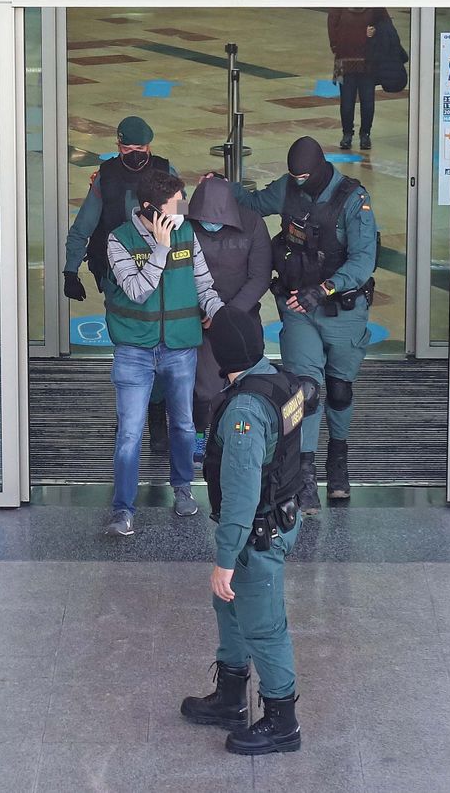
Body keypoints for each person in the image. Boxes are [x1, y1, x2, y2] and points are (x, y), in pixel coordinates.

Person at [179, 306, 311, 755]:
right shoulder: (278, 380)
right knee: (230, 610)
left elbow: (239, 496)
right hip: (279, 518)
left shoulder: (245, 414)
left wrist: (223, 560)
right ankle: (231, 698)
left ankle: (282, 722)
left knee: (264, 627)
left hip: (256, 535)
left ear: (223, 354)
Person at [233, 137, 378, 509]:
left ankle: (338, 458)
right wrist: (221, 186)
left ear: (320, 167)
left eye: (304, 177)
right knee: (306, 391)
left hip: (344, 310)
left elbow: (362, 262)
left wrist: (326, 288)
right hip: (299, 307)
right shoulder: (286, 188)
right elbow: (251, 202)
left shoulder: (352, 200)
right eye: (293, 176)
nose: (298, 183)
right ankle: (306, 473)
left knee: (340, 390)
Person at [103, 171, 225, 536]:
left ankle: (183, 488)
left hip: (179, 346)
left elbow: (203, 283)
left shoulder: (187, 233)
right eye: (176, 203)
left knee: (184, 424)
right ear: (150, 210)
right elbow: (137, 290)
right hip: (134, 350)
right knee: (129, 433)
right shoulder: (118, 240)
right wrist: (160, 248)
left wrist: (225, 318)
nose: (183, 209)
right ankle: (122, 510)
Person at [63, 115, 178, 454]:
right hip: (115, 276)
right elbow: (84, 224)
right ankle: (132, 416)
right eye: (127, 148)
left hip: (159, 273)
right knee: (128, 348)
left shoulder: (165, 169)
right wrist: (71, 269)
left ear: (150, 147)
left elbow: (182, 220)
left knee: (157, 345)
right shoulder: (106, 176)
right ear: (117, 146)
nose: (134, 154)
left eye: (139, 148)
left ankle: (155, 417)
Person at [185, 175, 272, 466]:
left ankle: (238, 438)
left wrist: (227, 316)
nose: (211, 224)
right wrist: (202, 312)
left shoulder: (252, 224)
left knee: (247, 384)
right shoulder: (184, 226)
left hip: (241, 318)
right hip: (198, 318)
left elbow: (259, 276)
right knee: (204, 389)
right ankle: (199, 436)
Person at [327, 7, 391, 151]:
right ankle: (347, 134)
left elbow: (386, 26)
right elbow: (332, 25)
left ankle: (365, 134)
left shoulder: (374, 5)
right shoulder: (341, 3)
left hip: (368, 60)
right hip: (346, 59)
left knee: (367, 100)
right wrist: (337, 45)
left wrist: (375, 33)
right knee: (347, 101)